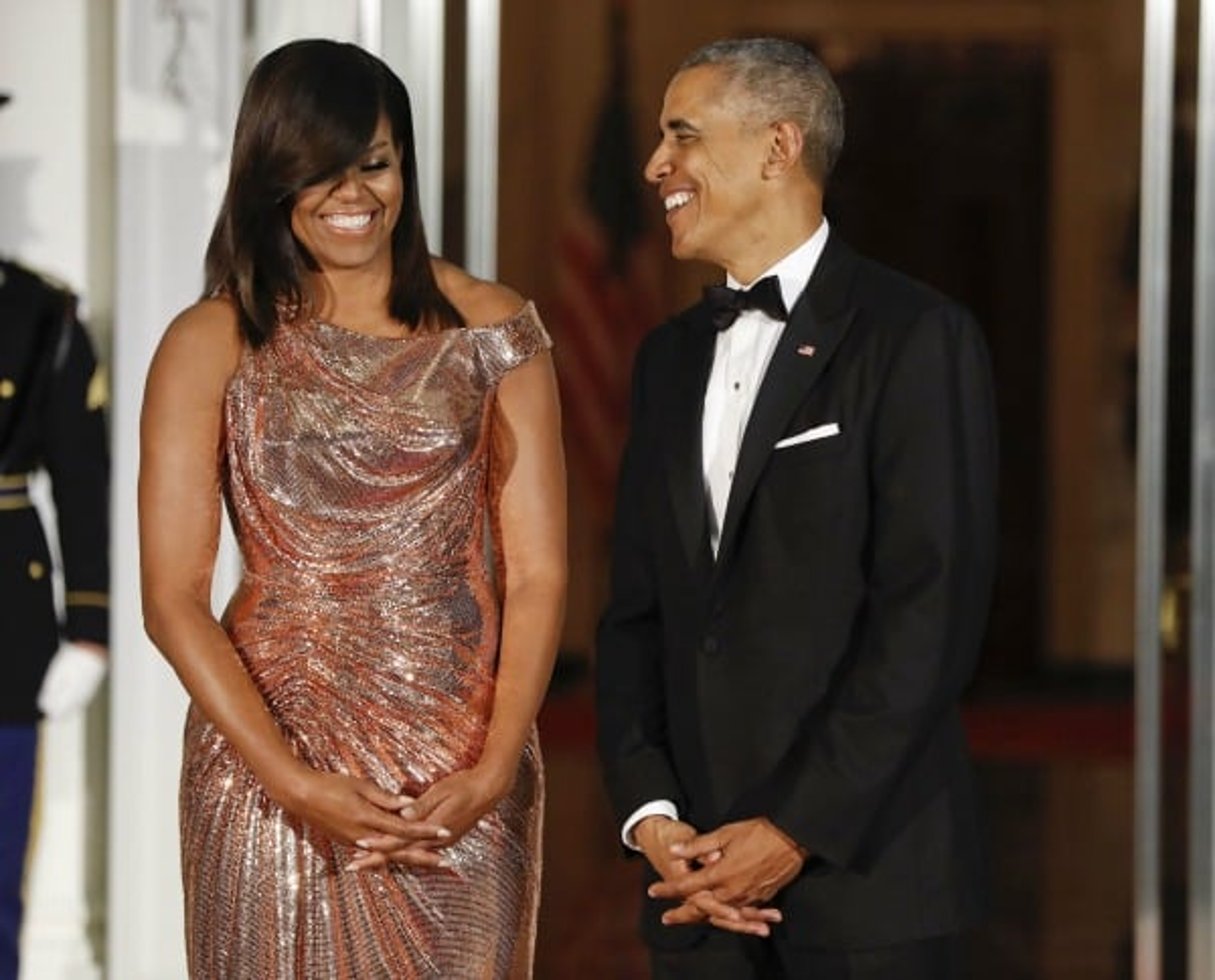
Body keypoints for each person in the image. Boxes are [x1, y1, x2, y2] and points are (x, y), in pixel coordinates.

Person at [139, 40, 565, 978]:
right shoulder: (212, 341)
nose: (354, 194)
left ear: (404, 162)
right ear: (270, 177)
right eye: (320, 171)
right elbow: (171, 598)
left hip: (458, 768)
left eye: (374, 163)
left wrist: (491, 773)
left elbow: (536, 574)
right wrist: (292, 781)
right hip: (268, 759)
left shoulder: (494, 330)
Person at [595, 37, 997, 979]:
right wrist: (653, 820)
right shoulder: (664, 360)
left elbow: (929, 617)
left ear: (778, 147)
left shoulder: (917, 338)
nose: (657, 165)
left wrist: (792, 832)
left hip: (869, 887)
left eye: (682, 136)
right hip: (691, 890)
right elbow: (633, 617)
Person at [0, 92, 110, 980]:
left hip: (4, 617)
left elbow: (84, 475)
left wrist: (90, 622)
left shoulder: (38, 316)